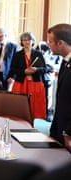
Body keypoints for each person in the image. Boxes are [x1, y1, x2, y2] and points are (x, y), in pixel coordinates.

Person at [8, 32, 46, 119]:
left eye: (29, 40)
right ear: (21, 42)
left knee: (34, 104)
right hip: (21, 83)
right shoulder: (17, 54)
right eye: (24, 40)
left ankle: (32, 123)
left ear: (32, 41)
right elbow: (13, 69)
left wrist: (36, 70)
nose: (27, 42)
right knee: (20, 104)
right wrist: (24, 71)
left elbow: (45, 69)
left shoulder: (38, 54)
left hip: (35, 83)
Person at [47, 23, 71, 151]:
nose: (48, 44)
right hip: (60, 127)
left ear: (60, 43)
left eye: (50, 41)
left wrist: (68, 132)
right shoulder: (65, 60)